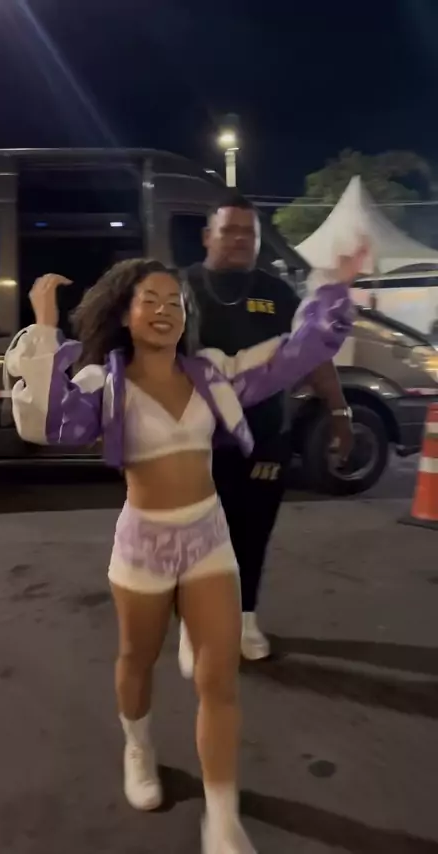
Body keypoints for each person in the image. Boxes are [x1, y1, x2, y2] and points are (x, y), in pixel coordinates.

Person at [4, 256, 359, 854]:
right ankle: (138, 747)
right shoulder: (103, 383)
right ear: (126, 312)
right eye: (151, 299)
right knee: (136, 660)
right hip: (143, 545)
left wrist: (331, 289)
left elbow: (291, 355)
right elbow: (45, 424)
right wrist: (43, 327)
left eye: (175, 301)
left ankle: (222, 818)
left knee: (219, 682)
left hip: (207, 540)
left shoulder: (211, 374)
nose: (165, 310)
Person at [179, 195, 354, 673]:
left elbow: (313, 352)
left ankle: (245, 619)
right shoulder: (179, 287)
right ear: (207, 236)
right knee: (199, 537)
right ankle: (197, 624)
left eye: (249, 233)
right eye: (230, 230)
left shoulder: (278, 293)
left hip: (266, 439)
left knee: (252, 534)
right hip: (196, 443)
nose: (240, 239)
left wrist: (339, 412)